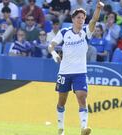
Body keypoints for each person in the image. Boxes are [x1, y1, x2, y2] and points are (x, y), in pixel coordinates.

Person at [47, 1, 104, 135]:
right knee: (61, 101)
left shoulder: (86, 32)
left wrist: (98, 8)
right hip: (64, 72)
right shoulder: (64, 32)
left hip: (80, 72)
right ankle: (61, 128)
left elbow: (94, 20)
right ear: (73, 19)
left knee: (82, 97)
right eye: (78, 17)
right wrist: (55, 54)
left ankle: (84, 128)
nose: (81, 20)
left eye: (83, 18)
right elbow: (51, 45)